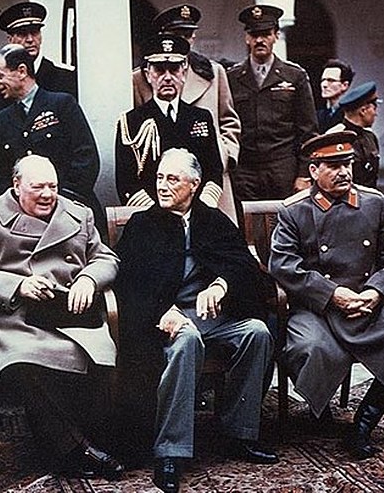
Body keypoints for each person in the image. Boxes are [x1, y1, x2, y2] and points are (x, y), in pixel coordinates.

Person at [0, 155, 124, 479]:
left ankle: (75, 443)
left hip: (72, 316)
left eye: (53, 186)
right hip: (17, 321)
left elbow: (106, 258)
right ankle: (76, 449)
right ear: (16, 186)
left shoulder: (79, 213)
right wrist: (18, 284)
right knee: (26, 362)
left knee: (95, 357)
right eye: (38, 187)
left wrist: (88, 279)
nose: (47, 194)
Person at [115, 148, 278, 493]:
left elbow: (244, 267)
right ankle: (170, 452)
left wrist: (221, 286)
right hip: (164, 320)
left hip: (212, 316)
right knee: (187, 340)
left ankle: (238, 433)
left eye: (172, 179)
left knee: (257, 332)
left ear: (194, 184)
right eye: (159, 177)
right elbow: (127, 282)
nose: (162, 186)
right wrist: (162, 311)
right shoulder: (141, 224)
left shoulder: (214, 221)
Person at [269, 131, 384, 459]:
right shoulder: (295, 211)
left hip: (365, 301)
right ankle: (319, 413)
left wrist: (376, 292)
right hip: (316, 305)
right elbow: (283, 265)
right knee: (314, 348)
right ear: (314, 171)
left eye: (347, 163)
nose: (344, 171)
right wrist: (331, 294)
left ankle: (363, 424)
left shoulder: (374, 203)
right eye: (333, 165)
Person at [132, 4, 241, 224]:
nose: (185, 40)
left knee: (216, 239)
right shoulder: (141, 78)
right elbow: (137, 131)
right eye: (177, 34)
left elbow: (229, 120)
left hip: (210, 176)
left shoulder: (213, 73)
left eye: (188, 34)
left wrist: (226, 154)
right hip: (165, 181)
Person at [0, 43, 104, 234]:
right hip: (23, 222)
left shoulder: (62, 104)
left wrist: (55, 201)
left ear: (21, 71)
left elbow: (87, 159)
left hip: (70, 214)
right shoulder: (2, 120)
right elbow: (1, 174)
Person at [116, 34, 223, 209]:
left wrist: (200, 209)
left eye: (173, 70)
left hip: (197, 214)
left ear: (184, 73)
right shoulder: (131, 122)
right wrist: (157, 215)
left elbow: (213, 172)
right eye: (159, 70)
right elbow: (127, 182)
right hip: (152, 218)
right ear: (147, 75)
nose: (167, 77)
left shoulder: (201, 117)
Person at [227, 4, 317, 201]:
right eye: (254, 34)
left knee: (285, 224)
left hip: (283, 168)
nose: (259, 40)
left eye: (266, 34)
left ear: (276, 35)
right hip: (245, 170)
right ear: (246, 38)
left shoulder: (295, 76)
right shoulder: (232, 77)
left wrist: (304, 173)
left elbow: (308, 129)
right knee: (248, 226)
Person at [0, 1, 77, 97]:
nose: (30, 40)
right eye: (22, 34)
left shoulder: (65, 77)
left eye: (35, 32)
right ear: (10, 40)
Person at [326, 81, 381, 188]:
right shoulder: (335, 136)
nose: (376, 114)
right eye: (374, 108)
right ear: (363, 111)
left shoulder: (371, 137)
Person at [317, 59, 354, 133]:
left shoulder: (351, 114)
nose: (324, 85)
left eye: (331, 80)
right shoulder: (318, 115)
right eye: (323, 80)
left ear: (344, 85)